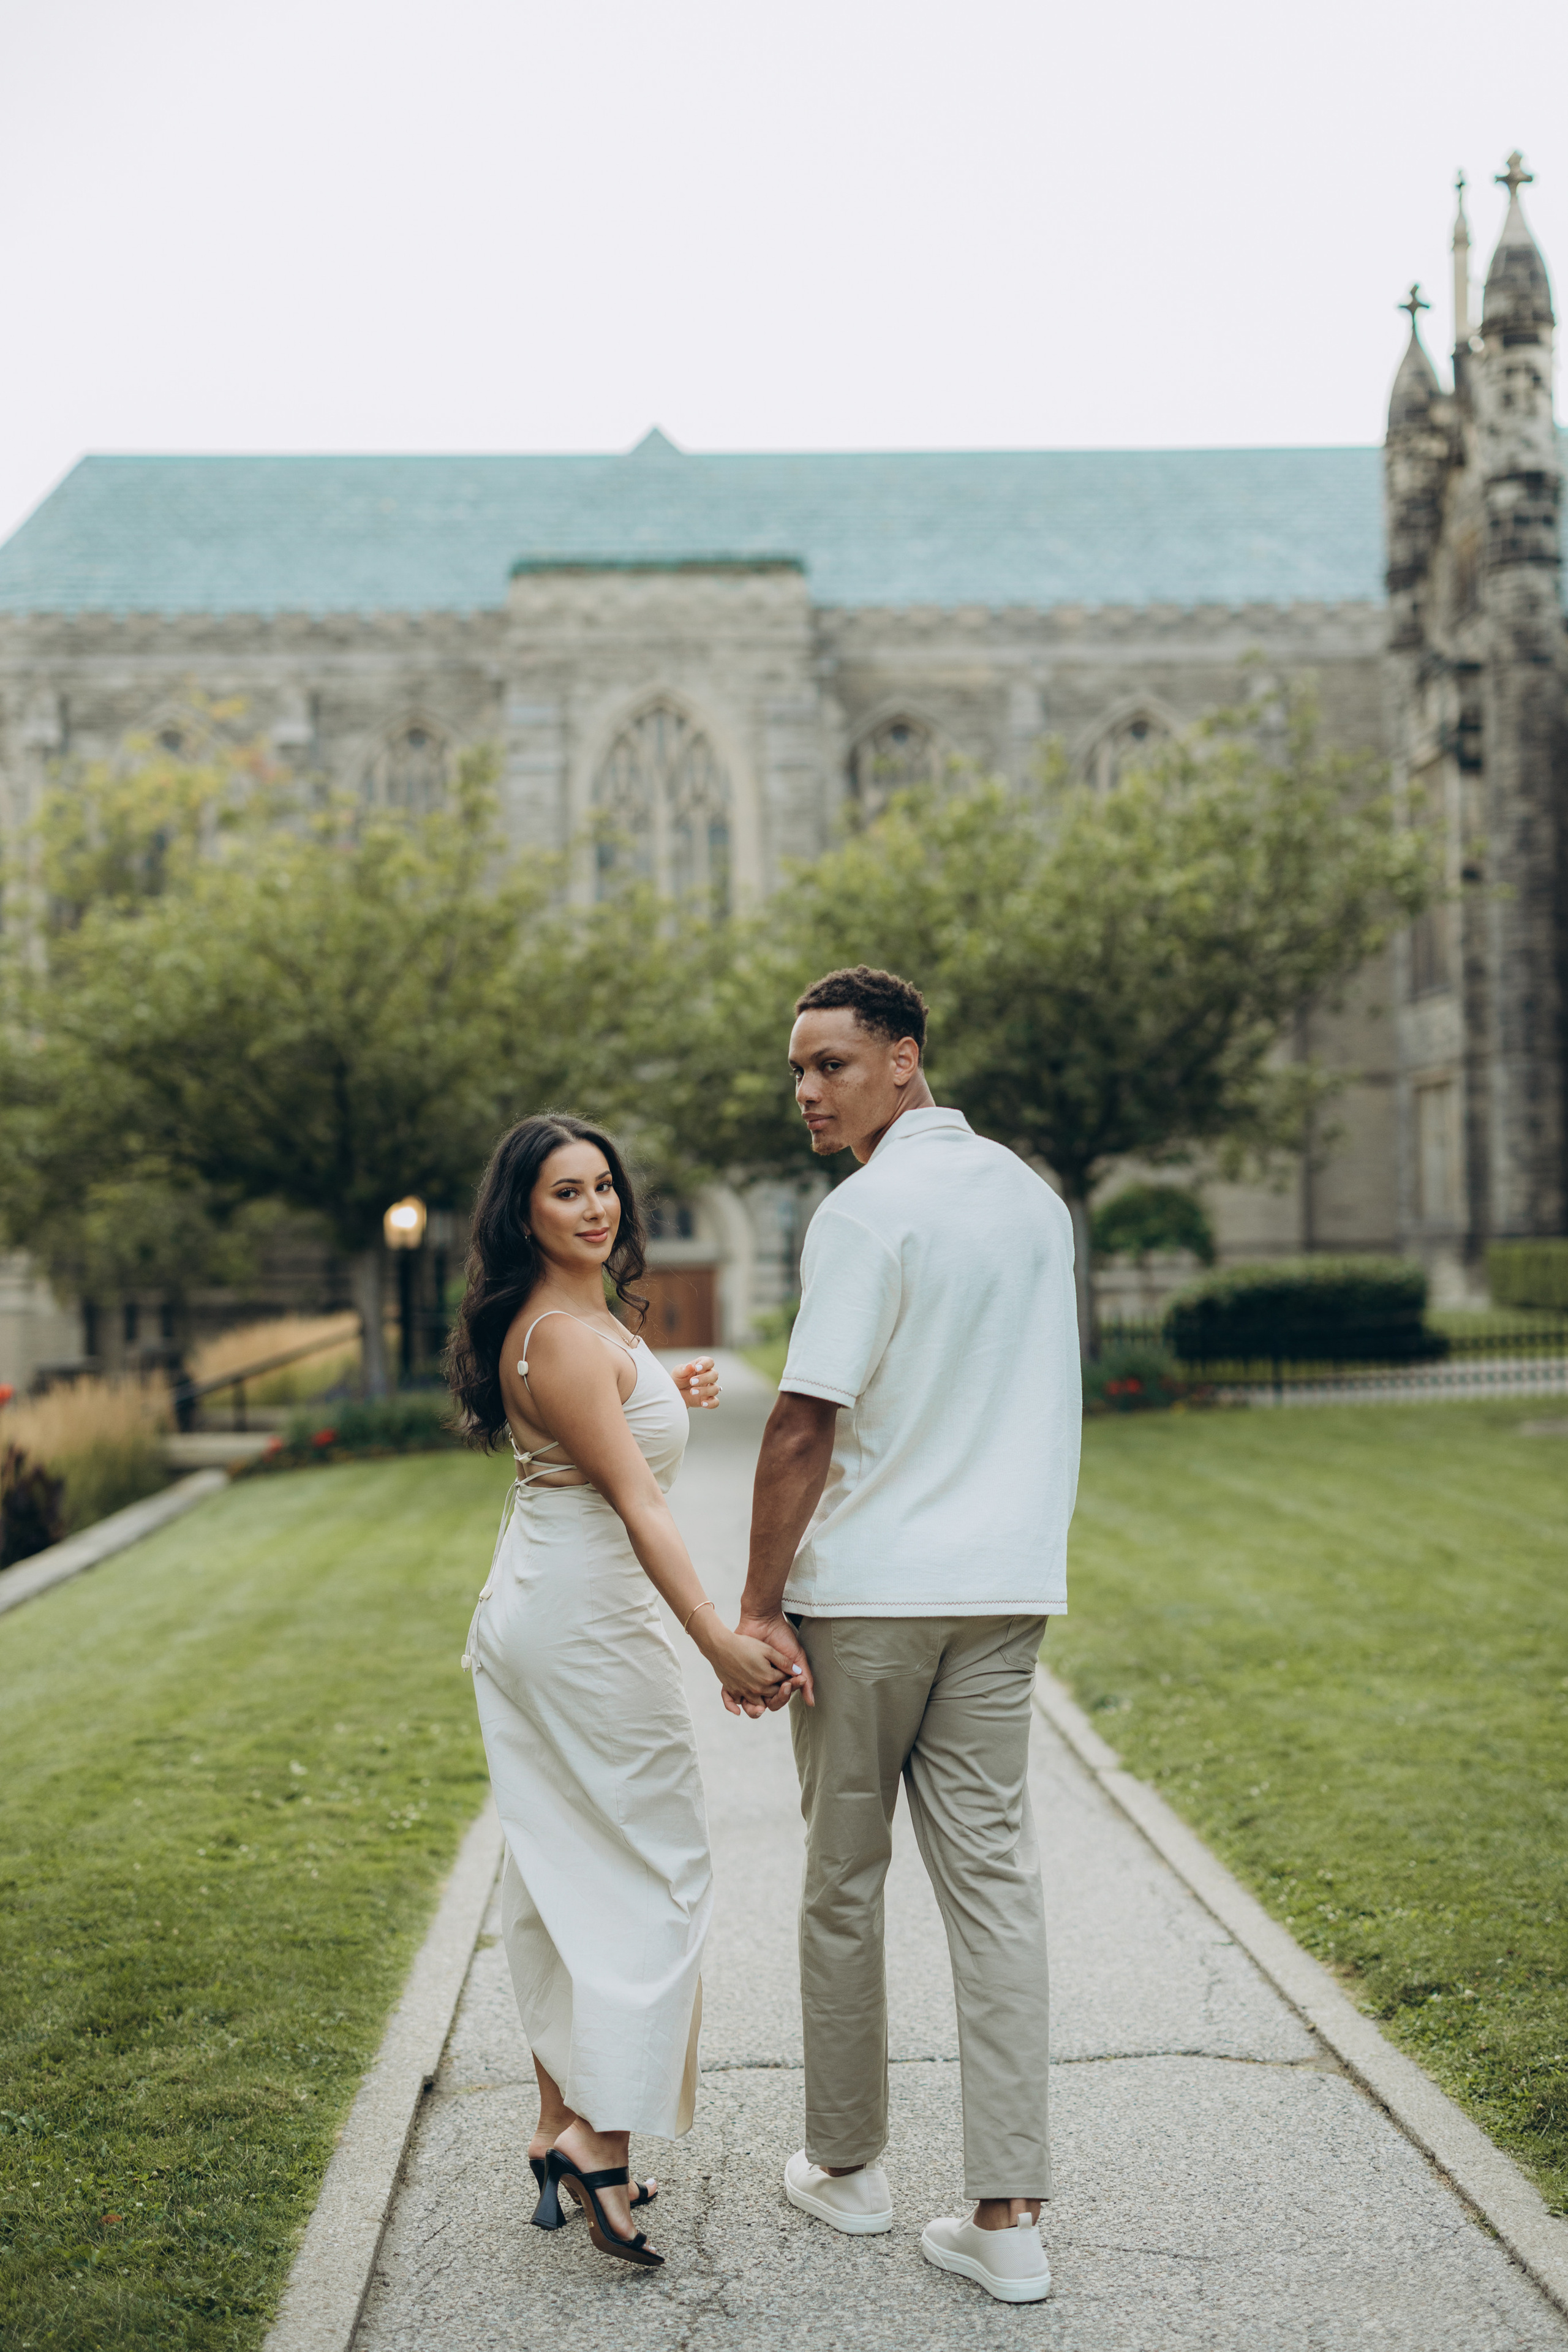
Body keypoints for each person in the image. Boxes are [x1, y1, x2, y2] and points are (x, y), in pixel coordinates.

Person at [729, 965, 1080, 2305]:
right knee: (995, 1888)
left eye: (829, 1065)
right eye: (796, 1071)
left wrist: (757, 1609)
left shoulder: (866, 1214)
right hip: (1003, 1591)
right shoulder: (1030, 1201)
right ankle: (1003, 2216)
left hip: (871, 1598)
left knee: (842, 1880)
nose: (807, 1093)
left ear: (903, 1061)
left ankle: (847, 2167)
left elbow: (800, 1421)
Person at [447, 1112, 794, 2271]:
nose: (596, 1208)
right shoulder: (565, 1334)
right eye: (565, 1193)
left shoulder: (571, 1325)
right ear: (522, 1212)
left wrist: (668, 1395)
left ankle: (557, 2122)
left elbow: (603, 1438)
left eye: (604, 1188)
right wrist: (717, 1640)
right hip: (583, 1622)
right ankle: (602, 2135)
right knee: (659, 1864)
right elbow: (639, 1505)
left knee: (559, 1864)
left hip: (546, 1605)